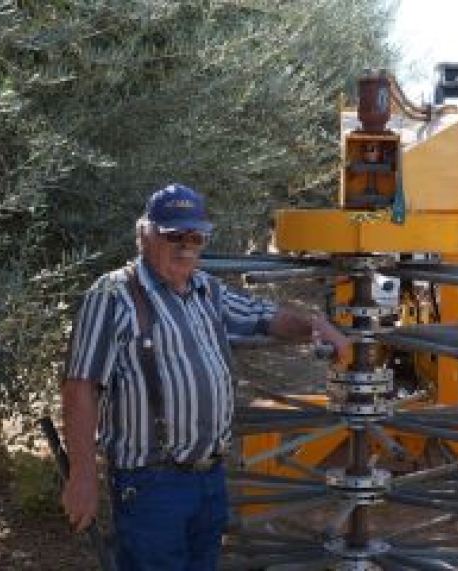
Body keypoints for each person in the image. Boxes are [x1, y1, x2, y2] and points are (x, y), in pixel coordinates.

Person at [60, 183, 350, 570]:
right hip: (151, 485)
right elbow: (80, 386)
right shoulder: (113, 295)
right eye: (173, 235)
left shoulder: (206, 290)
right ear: (145, 234)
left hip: (209, 480)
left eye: (195, 236)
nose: (186, 245)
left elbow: (264, 316)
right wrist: (82, 476)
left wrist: (315, 324)